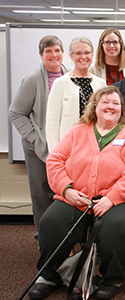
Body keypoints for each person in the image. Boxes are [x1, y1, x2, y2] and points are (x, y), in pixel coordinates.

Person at [29, 86, 125, 300]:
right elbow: (55, 161)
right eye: (105, 102)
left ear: (121, 109)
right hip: (78, 196)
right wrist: (67, 190)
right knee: (52, 222)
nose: (110, 107)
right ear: (95, 106)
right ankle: (48, 275)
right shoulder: (78, 131)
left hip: (123, 199)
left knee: (116, 227)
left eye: (115, 103)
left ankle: (111, 279)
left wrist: (111, 199)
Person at [9, 35, 67, 234]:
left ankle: (63, 238)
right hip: (38, 148)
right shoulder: (32, 78)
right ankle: (44, 239)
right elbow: (16, 113)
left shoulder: (68, 75)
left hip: (64, 145)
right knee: (42, 194)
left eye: (57, 50)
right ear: (41, 55)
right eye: (48, 51)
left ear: (63, 53)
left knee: (63, 192)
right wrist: (35, 138)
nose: (54, 55)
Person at [45, 36, 106, 153]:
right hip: (69, 148)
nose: (83, 57)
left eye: (87, 53)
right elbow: (52, 123)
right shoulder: (60, 83)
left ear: (92, 55)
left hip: (96, 146)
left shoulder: (100, 84)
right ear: (71, 56)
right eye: (78, 53)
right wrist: (54, 154)